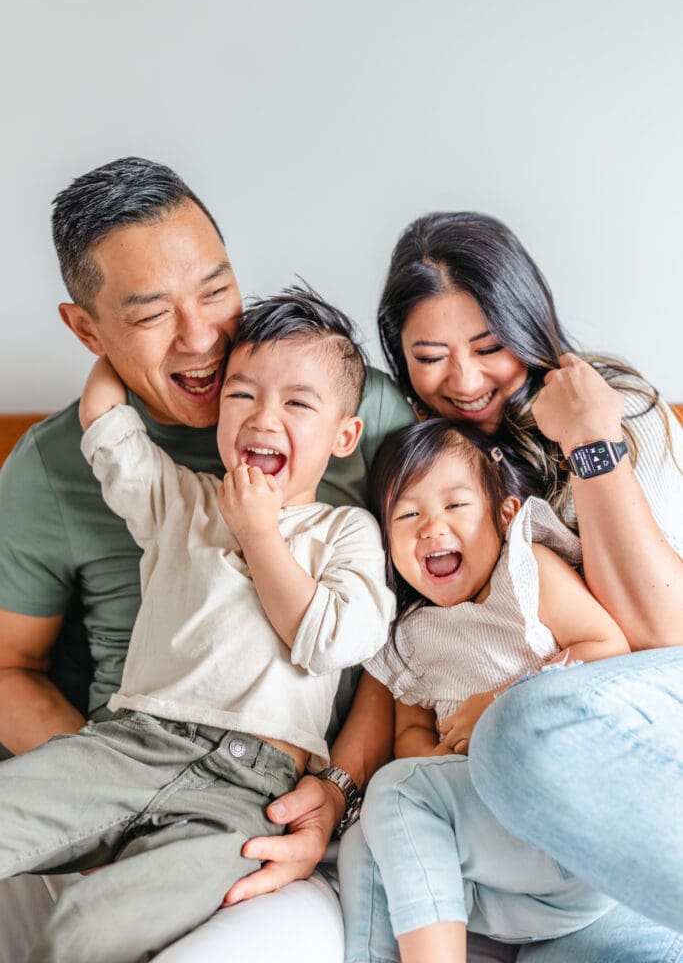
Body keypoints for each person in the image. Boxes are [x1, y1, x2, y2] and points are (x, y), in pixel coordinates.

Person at [0, 157, 415, 963]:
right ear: (88, 330)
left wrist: (334, 794)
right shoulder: (122, 483)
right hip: (115, 752)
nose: (200, 338)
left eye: (216, 291)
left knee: (87, 935)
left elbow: (398, 650)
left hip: (274, 807)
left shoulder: (357, 411)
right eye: (152, 314)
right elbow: (8, 666)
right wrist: (106, 794)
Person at [340, 210, 683, 962]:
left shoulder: (620, 409)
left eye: (489, 348)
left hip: (633, 716)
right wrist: (347, 784)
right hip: (520, 819)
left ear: (528, 326)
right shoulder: (413, 460)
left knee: (519, 733)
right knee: (379, 831)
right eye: (429, 356)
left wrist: (589, 441)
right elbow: (400, 657)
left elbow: (661, 638)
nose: (462, 381)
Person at [342, 417, 630, 963]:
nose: (431, 527)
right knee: (367, 837)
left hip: (570, 833)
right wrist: (436, 762)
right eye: (408, 514)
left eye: (455, 506)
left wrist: (501, 704)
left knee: (397, 794)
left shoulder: (524, 574)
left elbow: (607, 647)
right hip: (505, 880)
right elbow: (410, 731)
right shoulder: (408, 634)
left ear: (505, 515)